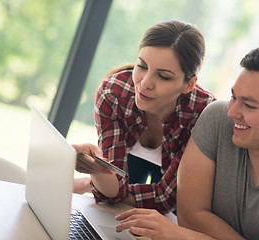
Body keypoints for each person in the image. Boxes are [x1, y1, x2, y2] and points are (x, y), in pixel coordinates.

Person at [114, 43, 259, 240]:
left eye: (249, 105)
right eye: (233, 96)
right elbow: (190, 216)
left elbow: (185, 230)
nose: (232, 112)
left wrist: (181, 235)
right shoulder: (216, 117)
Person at [73, 20, 216, 213]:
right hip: (131, 163)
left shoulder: (203, 114)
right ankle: (87, 181)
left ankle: (85, 184)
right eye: (141, 66)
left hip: (173, 184)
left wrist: (112, 191)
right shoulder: (113, 93)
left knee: (178, 215)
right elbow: (112, 190)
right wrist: (96, 169)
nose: (145, 83)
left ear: (189, 84)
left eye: (164, 76)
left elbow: (166, 199)